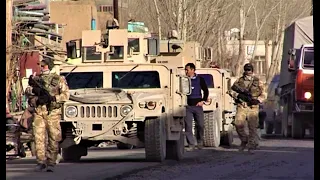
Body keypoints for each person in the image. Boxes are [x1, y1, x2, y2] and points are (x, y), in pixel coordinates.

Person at [29, 58, 69, 172]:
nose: (41, 68)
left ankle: (51, 162)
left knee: (54, 138)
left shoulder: (59, 79)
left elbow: (66, 95)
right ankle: (40, 161)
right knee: (38, 138)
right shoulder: (36, 79)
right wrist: (35, 95)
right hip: (39, 112)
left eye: (44, 66)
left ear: (49, 66)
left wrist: (53, 98)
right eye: (41, 66)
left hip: (53, 113)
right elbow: (28, 91)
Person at [230, 63, 265, 154]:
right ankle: (244, 140)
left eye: (249, 70)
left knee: (252, 127)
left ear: (252, 70)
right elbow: (231, 90)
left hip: (253, 107)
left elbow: (264, 93)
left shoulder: (258, 81)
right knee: (238, 124)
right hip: (242, 105)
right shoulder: (239, 81)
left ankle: (251, 145)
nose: (248, 72)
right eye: (246, 70)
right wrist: (238, 96)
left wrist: (258, 100)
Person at [184, 63, 209, 151]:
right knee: (188, 126)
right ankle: (191, 144)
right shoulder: (184, 79)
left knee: (200, 125)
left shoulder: (200, 79)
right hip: (187, 107)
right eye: (185, 70)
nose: (186, 71)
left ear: (193, 70)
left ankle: (200, 142)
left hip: (198, 106)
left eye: (187, 70)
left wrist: (203, 101)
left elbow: (206, 90)